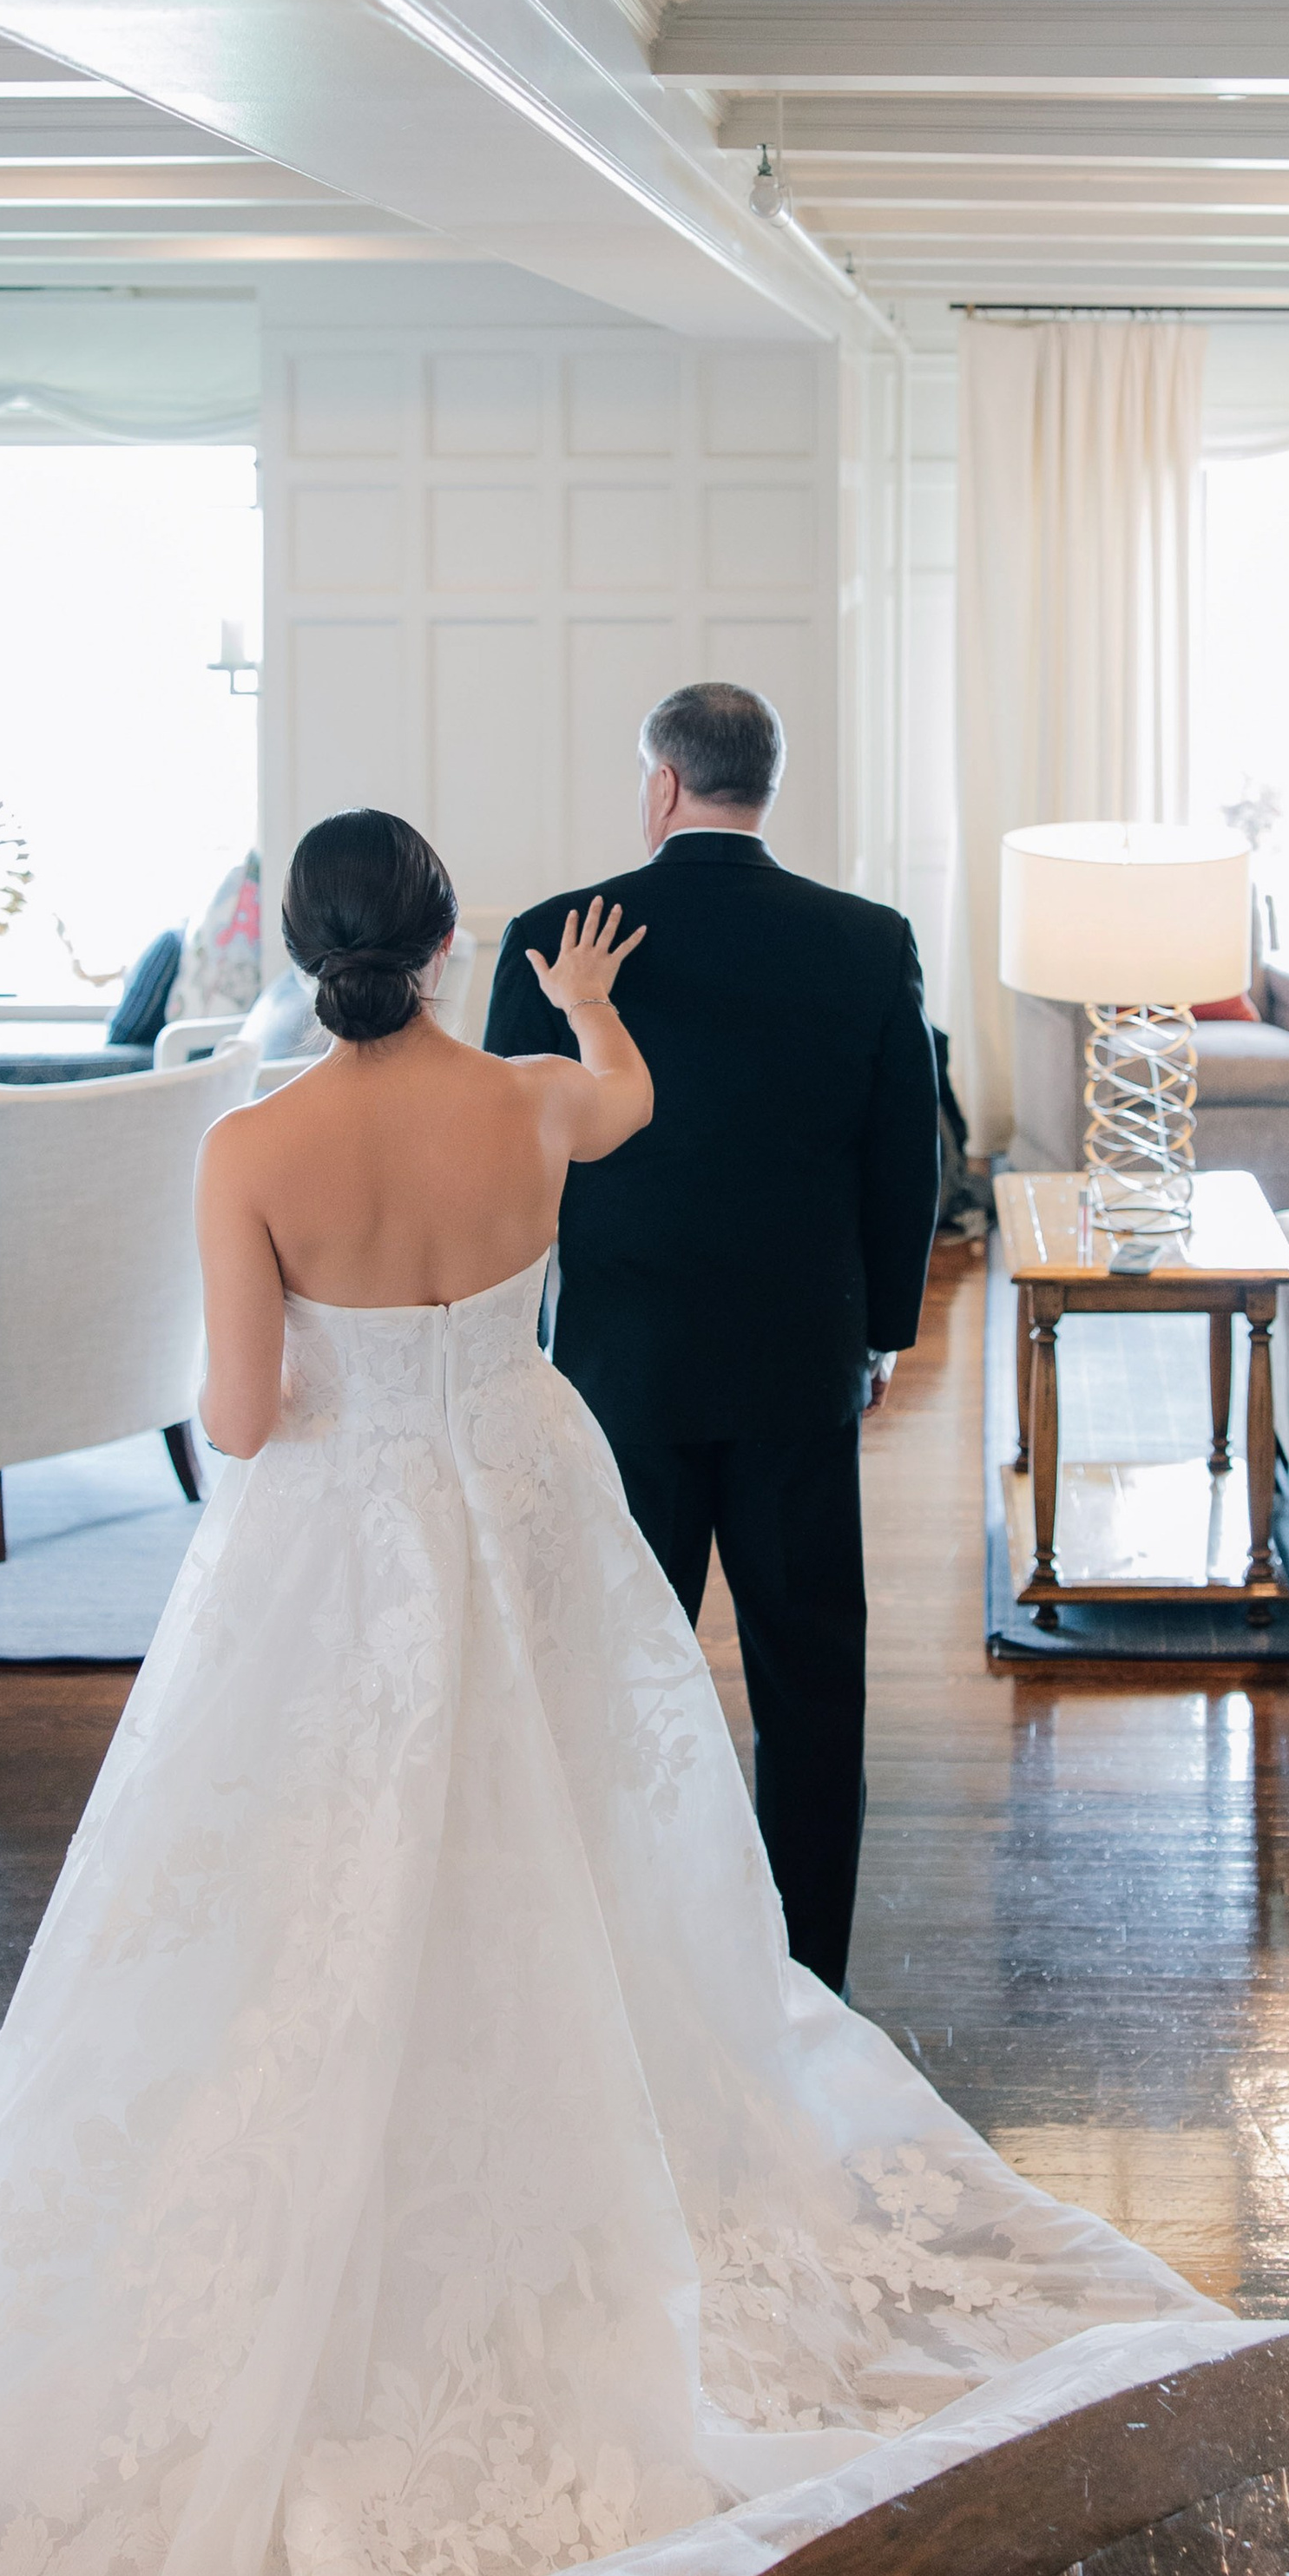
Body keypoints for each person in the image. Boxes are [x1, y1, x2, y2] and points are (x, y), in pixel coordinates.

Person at [0, 811, 1237, 2576]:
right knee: (570, 1844)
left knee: (310, 1891)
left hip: (342, 1544)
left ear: (312, 951)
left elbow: (244, 1418)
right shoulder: (526, 1099)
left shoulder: (252, 1145)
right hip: (520, 1507)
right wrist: (589, 1011)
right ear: (442, 947)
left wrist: (307, 1354)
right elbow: (621, 1110)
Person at [483, 683, 940, 1994]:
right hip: (800, 1360)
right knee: (812, 1680)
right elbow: (903, 1159)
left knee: (624, 1668)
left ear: (663, 785)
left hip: (623, 1366)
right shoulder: (868, 940)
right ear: (764, 786)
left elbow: (508, 1167)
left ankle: (631, 1961)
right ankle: (810, 1980)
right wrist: (882, 1334)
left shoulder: (554, 937)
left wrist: (512, 1346)